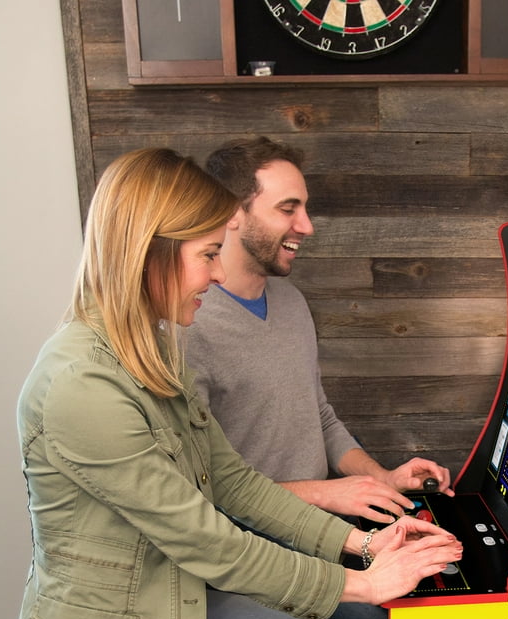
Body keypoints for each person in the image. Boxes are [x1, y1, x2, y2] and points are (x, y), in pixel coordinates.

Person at [3, 148, 462, 619]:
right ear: (151, 254)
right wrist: (360, 583)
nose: (217, 276)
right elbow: (206, 539)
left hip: (176, 602)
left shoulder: (153, 353)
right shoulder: (82, 386)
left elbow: (235, 483)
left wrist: (362, 547)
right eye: (207, 255)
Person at [187, 136, 455, 528]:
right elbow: (200, 485)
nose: (307, 226)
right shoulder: (189, 325)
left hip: (323, 539)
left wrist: (380, 478)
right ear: (231, 213)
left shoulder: (291, 302)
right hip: (251, 562)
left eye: (305, 209)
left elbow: (320, 419)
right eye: (287, 209)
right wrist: (326, 493)